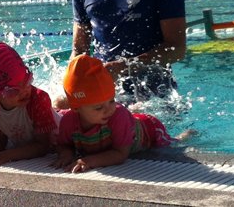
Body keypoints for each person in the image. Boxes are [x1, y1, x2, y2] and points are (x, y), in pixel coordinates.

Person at [51, 55, 193, 173]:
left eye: (112, 101)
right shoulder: (68, 121)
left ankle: (186, 135)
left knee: (173, 146)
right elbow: (63, 144)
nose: (108, 109)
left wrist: (89, 161)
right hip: (127, 124)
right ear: (76, 108)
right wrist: (66, 154)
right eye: (99, 108)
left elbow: (120, 154)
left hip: (150, 130)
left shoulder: (117, 115)